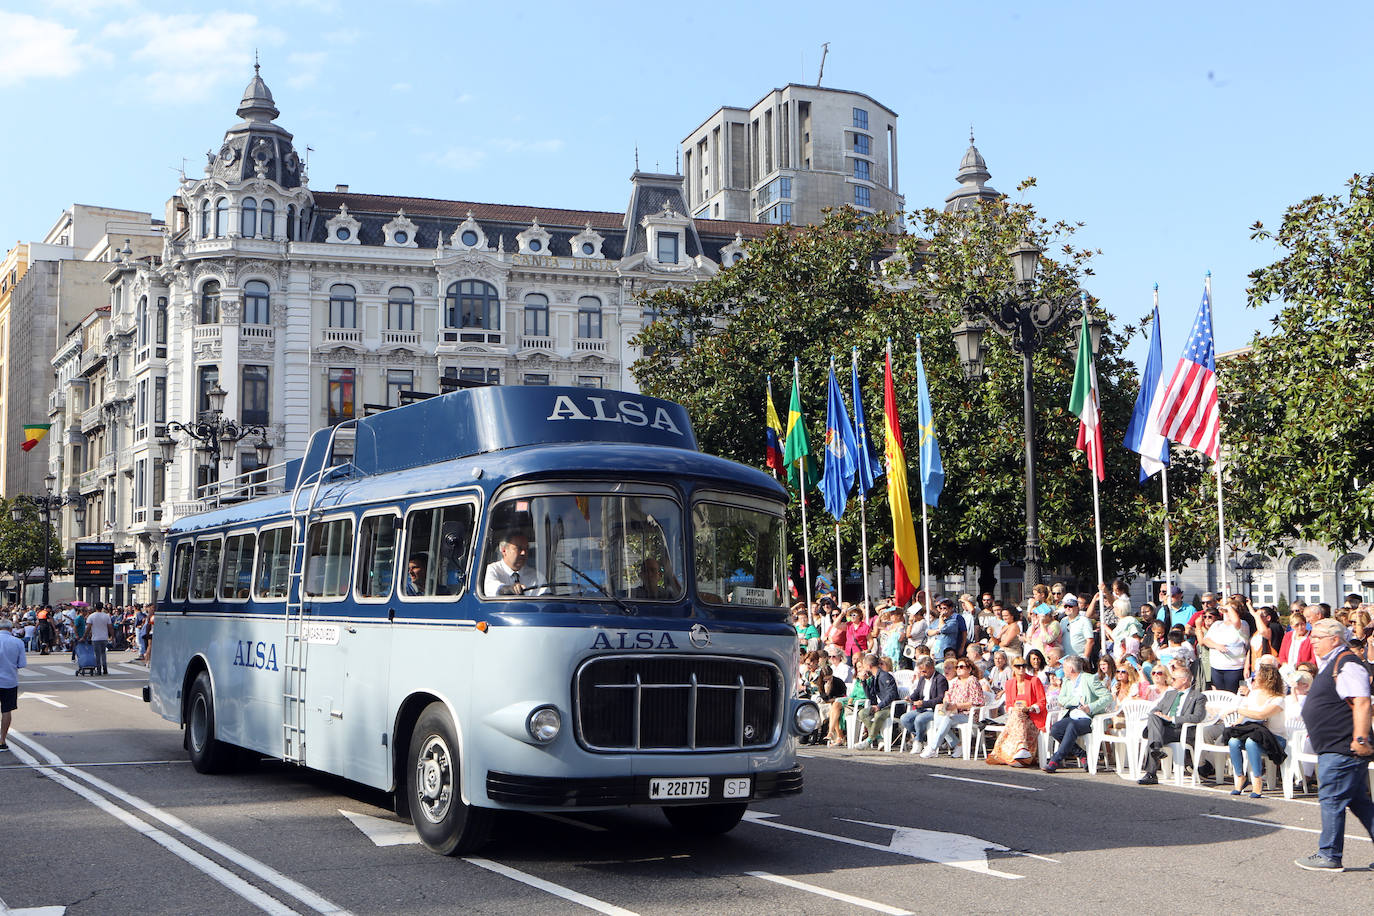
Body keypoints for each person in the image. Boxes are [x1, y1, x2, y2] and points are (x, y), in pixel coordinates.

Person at [1294, 619, 1374, 871]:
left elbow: (1362, 702)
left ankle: (1329, 854)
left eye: (1317, 637)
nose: (1312, 641)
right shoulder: (1333, 663)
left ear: (1335, 639)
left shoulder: (1346, 664)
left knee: (1331, 797)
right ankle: (1329, 852)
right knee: (1359, 802)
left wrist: (1359, 739)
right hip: (1336, 746)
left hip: (1342, 747)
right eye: (1312, 636)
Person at [1137, 664, 1208, 785]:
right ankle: (1156, 748)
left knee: (1154, 736)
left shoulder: (1198, 697)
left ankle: (1151, 773)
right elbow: (1155, 709)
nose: (1171, 681)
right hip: (1163, 729)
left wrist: (1173, 718)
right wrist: (1161, 717)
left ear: (1184, 680)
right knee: (1154, 716)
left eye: (1174, 679)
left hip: (1180, 730)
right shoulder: (1170, 694)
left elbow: (1197, 717)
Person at [1224, 664, 1287, 799]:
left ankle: (1257, 780)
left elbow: (1261, 715)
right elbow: (1247, 712)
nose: (1254, 678)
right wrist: (1238, 723)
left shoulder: (1278, 699)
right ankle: (1240, 776)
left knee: (1251, 742)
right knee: (1233, 741)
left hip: (1275, 739)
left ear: (1266, 679)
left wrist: (1237, 709)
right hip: (1255, 733)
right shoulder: (1254, 694)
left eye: (1257, 676)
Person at [1042, 655, 1111, 772]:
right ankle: (1082, 755)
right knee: (1056, 729)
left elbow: (1107, 697)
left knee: (1072, 726)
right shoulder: (1067, 682)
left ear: (1071, 669)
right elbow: (1061, 700)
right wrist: (1077, 700)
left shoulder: (1090, 679)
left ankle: (1055, 760)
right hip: (1072, 714)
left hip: (1088, 718)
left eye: (1064, 667)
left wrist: (1090, 707)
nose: (1062, 670)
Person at [986, 656, 1047, 767]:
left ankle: (1021, 748)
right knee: (1017, 714)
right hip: (1016, 717)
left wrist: (1030, 708)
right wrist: (1014, 709)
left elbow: (1042, 702)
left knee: (1016, 719)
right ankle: (1021, 751)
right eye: (1018, 666)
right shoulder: (1009, 684)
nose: (1021, 669)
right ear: (1013, 667)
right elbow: (1009, 704)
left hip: (1032, 717)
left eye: (1024, 666)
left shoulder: (1034, 681)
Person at [921, 657, 984, 758]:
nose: (958, 669)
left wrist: (956, 706)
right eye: (957, 667)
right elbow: (948, 695)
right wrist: (945, 702)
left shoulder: (972, 681)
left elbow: (977, 702)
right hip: (954, 712)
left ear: (969, 669)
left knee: (947, 719)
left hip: (969, 714)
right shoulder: (956, 682)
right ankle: (957, 744)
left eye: (962, 667)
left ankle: (932, 747)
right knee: (939, 713)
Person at [899, 656, 948, 754]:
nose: (922, 674)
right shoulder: (922, 679)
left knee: (919, 719)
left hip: (935, 710)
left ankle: (918, 742)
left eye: (924, 671)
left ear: (932, 668)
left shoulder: (940, 679)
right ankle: (921, 737)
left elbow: (940, 698)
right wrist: (911, 698)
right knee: (905, 718)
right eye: (921, 671)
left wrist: (924, 703)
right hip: (922, 708)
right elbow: (917, 692)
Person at [1202, 598, 1250, 692]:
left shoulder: (1243, 624)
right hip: (1217, 666)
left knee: (1231, 694)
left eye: (1230, 611)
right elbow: (1206, 640)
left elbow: (1236, 621)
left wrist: (1228, 606)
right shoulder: (1217, 624)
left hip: (1234, 668)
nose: (1227, 613)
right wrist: (1217, 646)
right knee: (1220, 694)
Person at [856, 654, 900, 749]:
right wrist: (864, 682)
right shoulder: (874, 677)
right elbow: (871, 697)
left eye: (864, 666)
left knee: (878, 715)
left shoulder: (885, 676)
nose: (863, 668)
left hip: (891, 706)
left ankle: (869, 740)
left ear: (869, 666)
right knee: (862, 713)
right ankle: (879, 738)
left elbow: (892, 694)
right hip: (880, 706)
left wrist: (879, 706)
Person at [0, 619, 26, 751]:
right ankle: (2, 740)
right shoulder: (17, 642)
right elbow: (21, 664)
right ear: (11, 629)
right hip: (9, 681)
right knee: (6, 711)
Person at [86, 604, 112, 676]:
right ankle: (105, 668)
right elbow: (110, 627)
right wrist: (113, 636)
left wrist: (85, 636)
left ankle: (99, 669)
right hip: (104, 637)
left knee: (97, 654)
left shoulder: (91, 616)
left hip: (95, 638)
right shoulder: (106, 616)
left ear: (95, 607)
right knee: (103, 653)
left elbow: (88, 628)